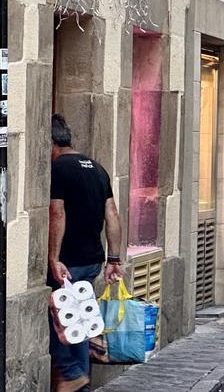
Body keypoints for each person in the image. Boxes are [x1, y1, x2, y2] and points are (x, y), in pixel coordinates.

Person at [48, 114, 123, 392]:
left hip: (68, 260)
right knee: (77, 320)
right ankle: (80, 383)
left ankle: (71, 374)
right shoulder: (97, 168)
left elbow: (57, 212)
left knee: (59, 318)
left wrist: (54, 258)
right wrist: (113, 259)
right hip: (93, 259)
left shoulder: (59, 169)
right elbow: (112, 215)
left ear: (50, 142)